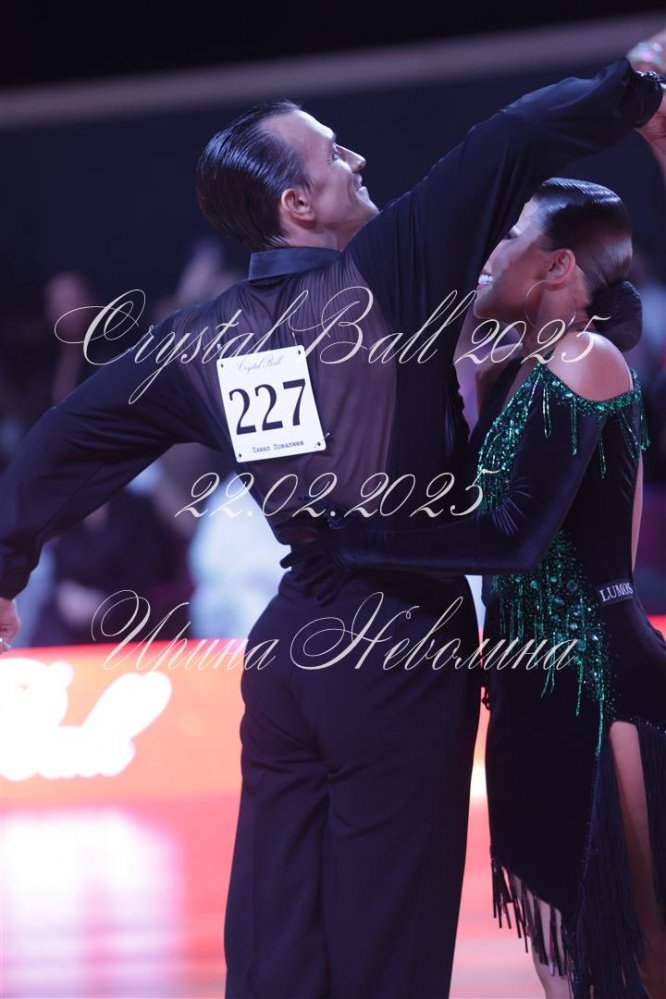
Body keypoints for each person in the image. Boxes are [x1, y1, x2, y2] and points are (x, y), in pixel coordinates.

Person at [0, 51, 664, 999]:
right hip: (399, 650)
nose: (355, 158)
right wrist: (632, 89)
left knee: (273, 948)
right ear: (297, 205)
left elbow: (66, 441)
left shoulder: (198, 337)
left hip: (286, 656)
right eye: (332, 153)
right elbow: (512, 140)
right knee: (384, 948)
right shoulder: (390, 268)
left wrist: (4, 568)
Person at [292, 177, 666, 997]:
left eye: (510, 237)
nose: (489, 253)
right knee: (560, 959)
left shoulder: (588, 359)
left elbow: (513, 538)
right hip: (526, 684)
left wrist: (352, 542)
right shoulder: (515, 372)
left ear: (558, 266)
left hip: (597, 679)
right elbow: (453, 507)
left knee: (634, 950)